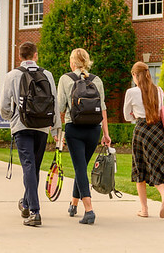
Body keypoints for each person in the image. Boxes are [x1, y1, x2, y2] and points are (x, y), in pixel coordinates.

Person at [0, 41, 60, 227]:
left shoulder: (12, 75)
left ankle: (35, 211)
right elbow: (54, 102)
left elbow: (4, 106)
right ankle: (26, 204)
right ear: (36, 55)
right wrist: (56, 127)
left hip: (22, 125)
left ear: (20, 57)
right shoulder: (47, 74)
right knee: (34, 168)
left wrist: (11, 118)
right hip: (42, 127)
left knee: (28, 166)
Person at [56, 48, 111, 225]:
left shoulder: (66, 79)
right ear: (87, 62)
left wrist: (57, 133)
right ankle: (73, 203)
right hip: (94, 130)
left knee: (80, 168)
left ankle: (89, 210)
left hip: (75, 128)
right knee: (82, 166)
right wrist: (106, 134)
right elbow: (102, 108)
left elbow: (60, 108)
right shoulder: (97, 80)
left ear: (72, 62)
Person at [123, 61, 164, 219]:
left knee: (141, 169)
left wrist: (134, 113)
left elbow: (126, 116)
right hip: (157, 130)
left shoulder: (131, 92)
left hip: (142, 131)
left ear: (135, 75)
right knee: (156, 163)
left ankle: (144, 210)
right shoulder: (158, 90)